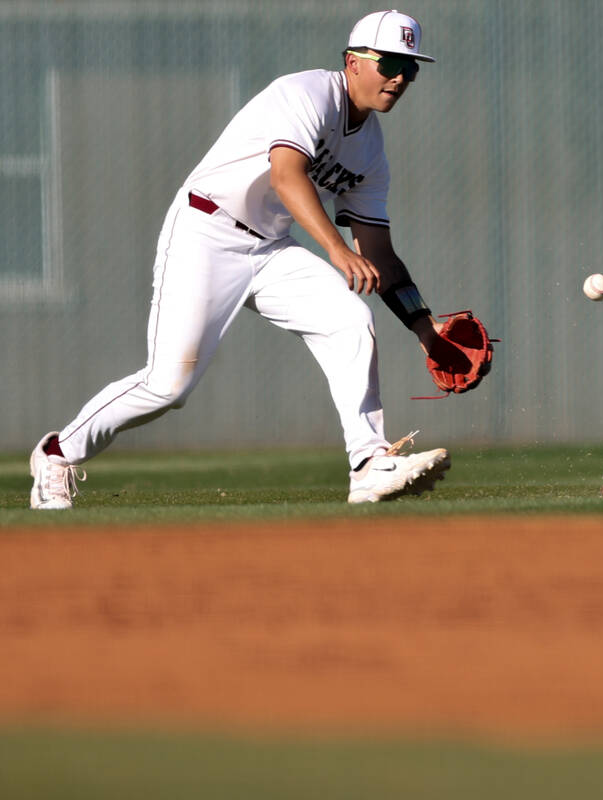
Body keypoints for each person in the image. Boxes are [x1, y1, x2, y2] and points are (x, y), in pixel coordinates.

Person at [30, 11, 457, 510]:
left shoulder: (371, 151)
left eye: (411, 67)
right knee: (169, 385)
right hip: (206, 231)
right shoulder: (306, 93)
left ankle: (368, 464)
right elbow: (286, 176)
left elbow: (378, 254)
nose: (400, 77)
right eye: (389, 62)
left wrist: (427, 332)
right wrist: (337, 250)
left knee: (349, 318)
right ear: (353, 62)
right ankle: (58, 453)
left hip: (271, 248)